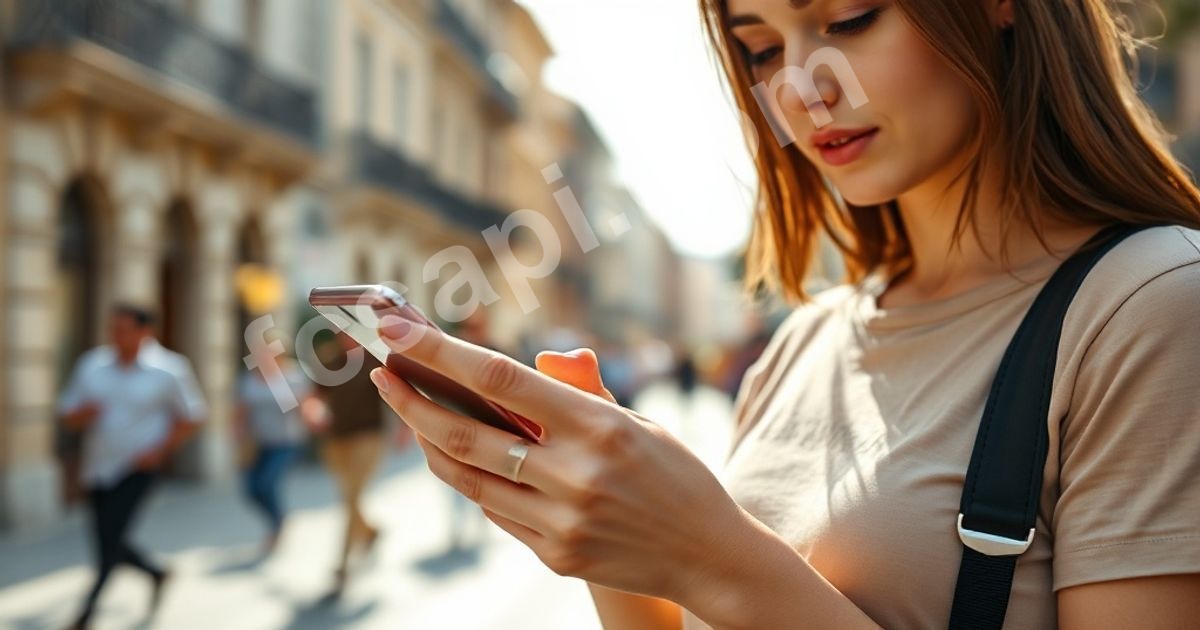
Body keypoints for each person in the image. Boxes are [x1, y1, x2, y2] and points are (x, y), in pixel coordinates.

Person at [365, 1, 1200, 628]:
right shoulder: (808, 336)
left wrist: (711, 554)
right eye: (761, 48)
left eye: (848, 17)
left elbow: (731, 580)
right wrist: (611, 537)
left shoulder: (1149, 305)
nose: (798, 85)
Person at [58, 305, 207, 629]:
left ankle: (86, 611)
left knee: (110, 539)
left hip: (138, 470)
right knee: (106, 539)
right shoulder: (92, 365)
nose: (117, 337)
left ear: (145, 332)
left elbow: (193, 416)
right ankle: (156, 572)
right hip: (98, 468)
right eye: (113, 329)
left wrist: (161, 450)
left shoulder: (169, 369)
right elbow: (67, 414)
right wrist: (82, 414)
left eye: (124, 330)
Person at [312, 331, 385, 597]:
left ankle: (342, 566)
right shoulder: (331, 361)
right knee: (348, 498)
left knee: (351, 498)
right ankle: (370, 531)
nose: (347, 338)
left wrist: (405, 428)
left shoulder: (373, 361)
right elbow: (316, 395)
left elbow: (391, 396)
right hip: (337, 439)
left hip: (368, 436)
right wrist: (314, 412)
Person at [235, 337, 321, 554]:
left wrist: (313, 417)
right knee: (251, 489)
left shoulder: (294, 376)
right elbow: (240, 410)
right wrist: (236, 435)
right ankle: (277, 518)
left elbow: (307, 404)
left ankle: (277, 525)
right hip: (258, 444)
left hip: (287, 442)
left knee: (267, 483)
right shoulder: (249, 379)